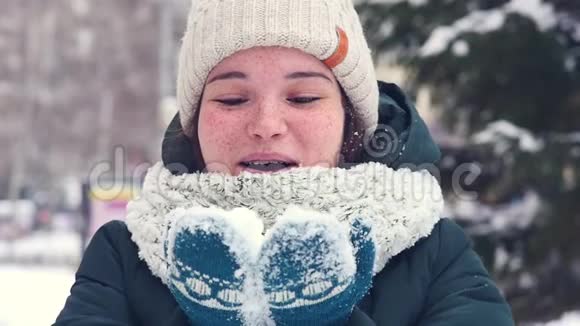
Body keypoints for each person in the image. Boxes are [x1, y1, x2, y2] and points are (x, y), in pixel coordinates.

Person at [55, 0, 515, 325]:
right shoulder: (124, 254)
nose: (267, 124)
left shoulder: (432, 254)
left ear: (349, 120)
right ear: (193, 124)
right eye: (233, 99)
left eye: (303, 97)